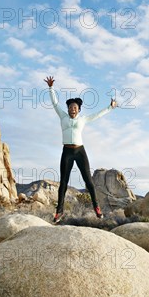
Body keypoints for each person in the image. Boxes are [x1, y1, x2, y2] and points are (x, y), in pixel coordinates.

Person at [44, 76, 117, 223]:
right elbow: (54, 103)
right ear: (68, 109)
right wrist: (51, 88)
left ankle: (97, 208)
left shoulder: (83, 119)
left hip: (79, 152)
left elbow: (97, 115)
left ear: (79, 109)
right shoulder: (62, 116)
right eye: (70, 107)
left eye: (75, 107)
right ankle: (59, 212)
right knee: (63, 182)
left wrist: (110, 107)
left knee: (88, 181)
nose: (72, 109)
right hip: (67, 152)